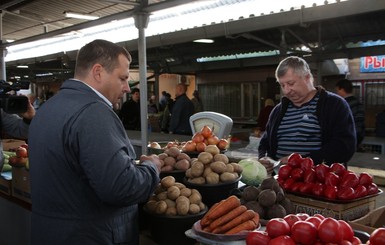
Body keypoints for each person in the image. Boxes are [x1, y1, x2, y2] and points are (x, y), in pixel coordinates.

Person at [28, 39, 162, 245]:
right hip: (89, 235)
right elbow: (120, 188)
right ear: (98, 72)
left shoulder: (46, 109)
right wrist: (151, 167)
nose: (127, 87)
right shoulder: (93, 112)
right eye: (123, 78)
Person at [258, 56, 356, 173]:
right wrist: (263, 158)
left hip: (321, 184)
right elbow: (265, 141)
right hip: (281, 182)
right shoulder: (278, 110)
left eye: (291, 83)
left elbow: (345, 146)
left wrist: (302, 161)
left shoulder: (334, 105)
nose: (286, 90)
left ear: (308, 77)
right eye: (282, 85)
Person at [336, 78, 365, 147]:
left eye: (337, 90)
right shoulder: (359, 104)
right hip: (358, 137)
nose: (337, 93)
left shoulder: (341, 105)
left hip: (345, 139)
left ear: (342, 90)